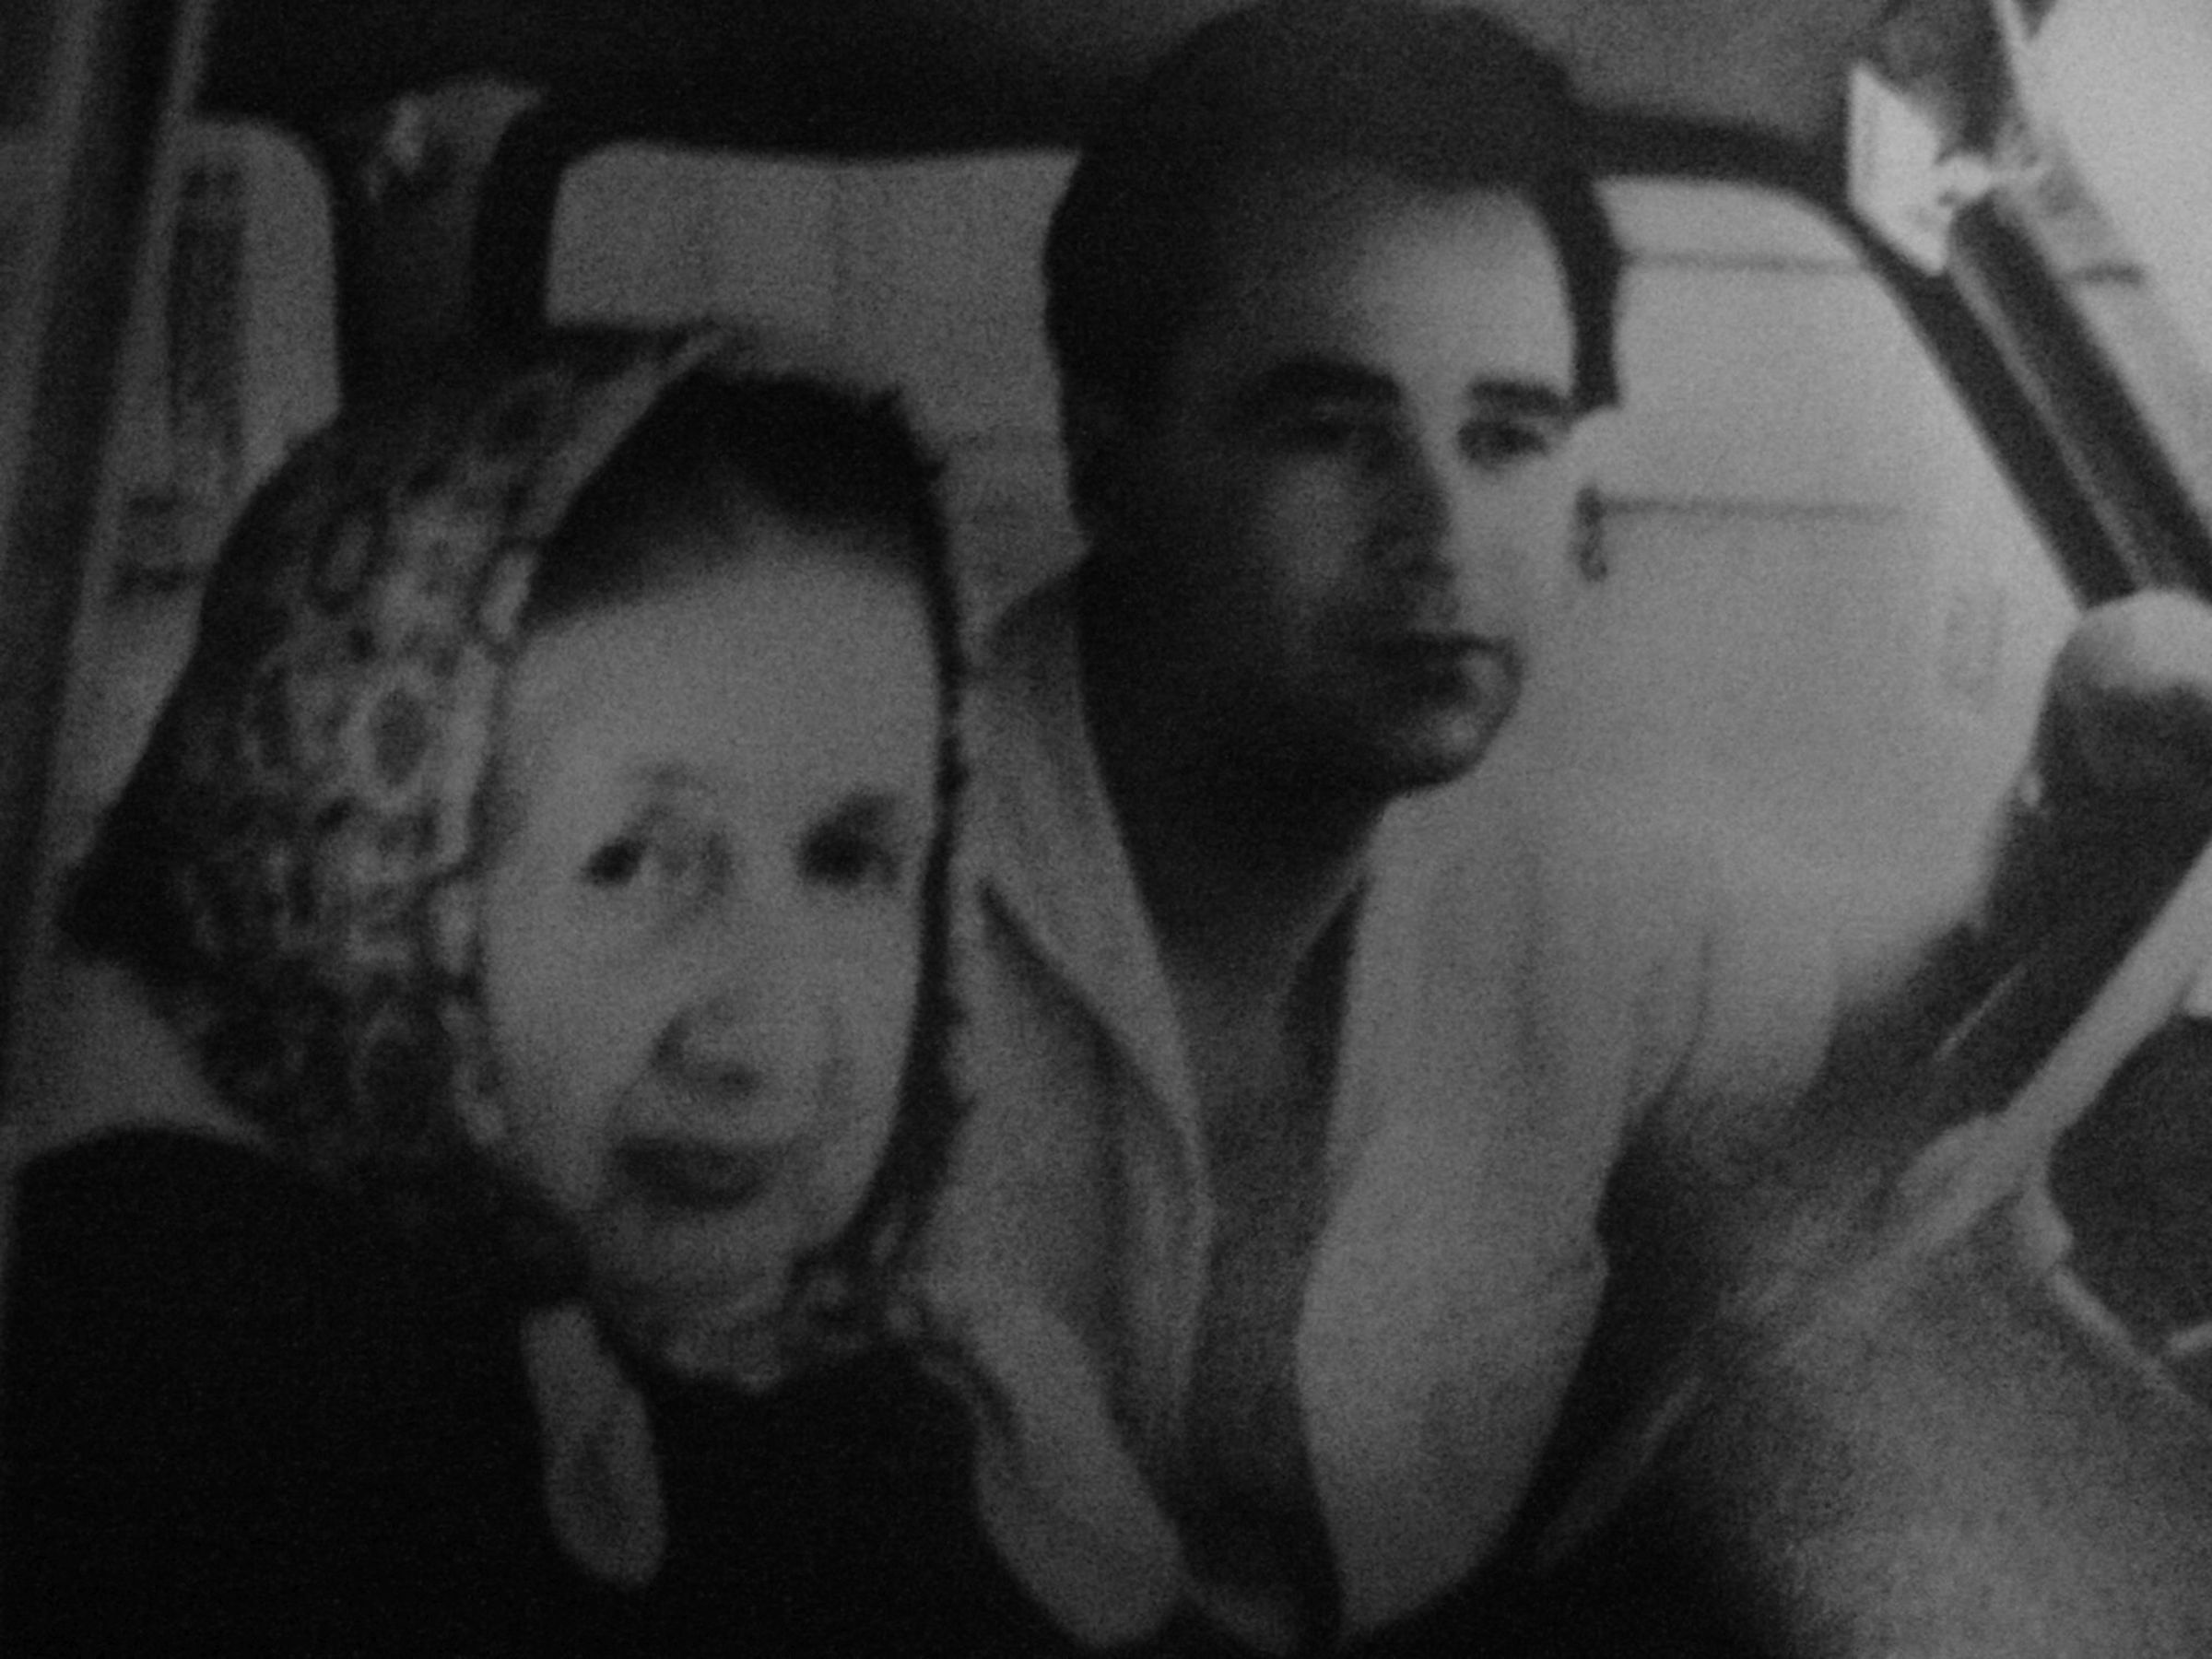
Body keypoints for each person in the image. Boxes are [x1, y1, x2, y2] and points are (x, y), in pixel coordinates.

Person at [914, 1, 2212, 1653]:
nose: (1440, 530)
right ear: (1108, 461)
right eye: (1332, 430)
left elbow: (1920, 1013)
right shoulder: (852, 873)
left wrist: (2076, 801)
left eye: (1507, 435)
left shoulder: (1572, 908)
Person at [0, 326, 1054, 1654]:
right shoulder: (196, 1396)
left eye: (851, 859)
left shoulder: (851, 1380)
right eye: (635, 863)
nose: (765, 1039)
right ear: (364, 870)